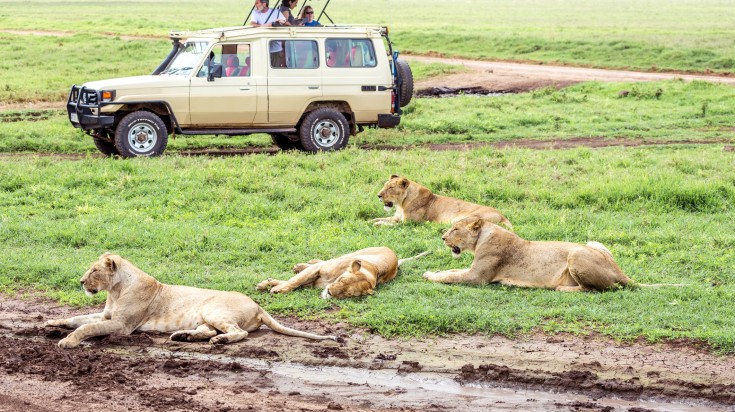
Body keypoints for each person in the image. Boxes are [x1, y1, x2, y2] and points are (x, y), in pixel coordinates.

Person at [250, 0, 286, 67]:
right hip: (262, 49)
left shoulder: (276, 12)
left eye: (257, 3)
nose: (256, 5)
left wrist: (280, 22)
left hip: (276, 49)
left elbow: (284, 21)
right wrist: (266, 25)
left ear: (264, 4)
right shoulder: (255, 12)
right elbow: (252, 24)